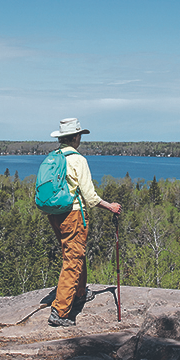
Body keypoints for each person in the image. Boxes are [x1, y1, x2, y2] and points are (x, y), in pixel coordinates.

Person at [46, 118, 122, 327]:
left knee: (74, 253)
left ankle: (79, 292)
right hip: (73, 214)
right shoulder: (78, 160)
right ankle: (60, 312)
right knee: (73, 259)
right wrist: (111, 207)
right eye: (79, 135)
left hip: (55, 214)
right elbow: (90, 197)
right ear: (75, 137)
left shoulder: (54, 157)